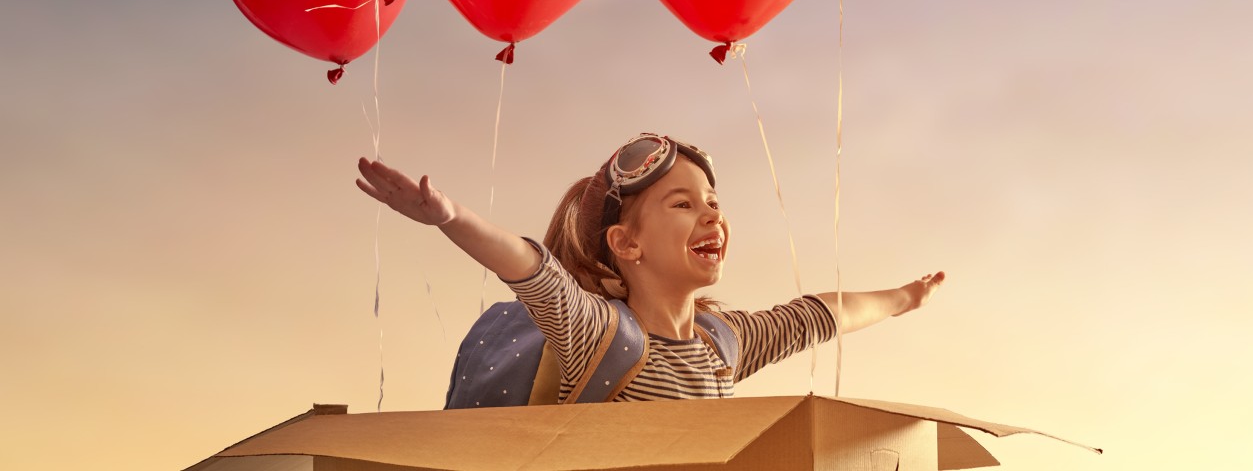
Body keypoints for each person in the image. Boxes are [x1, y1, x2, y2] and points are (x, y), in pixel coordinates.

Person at [354, 133, 944, 401]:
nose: (711, 214)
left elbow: (822, 314)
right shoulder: (600, 336)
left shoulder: (725, 343)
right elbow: (533, 271)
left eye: (713, 202)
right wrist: (449, 216)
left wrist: (905, 298)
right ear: (627, 244)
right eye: (683, 205)